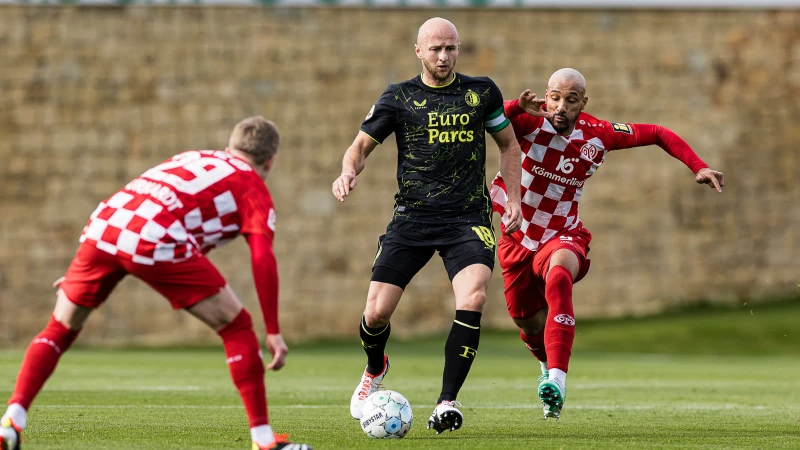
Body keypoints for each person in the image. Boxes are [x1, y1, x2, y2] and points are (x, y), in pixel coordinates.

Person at [0, 117, 311, 450]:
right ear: (270, 161)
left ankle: (11, 421)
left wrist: (85, 268)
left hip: (104, 227)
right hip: (153, 237)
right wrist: (274, 329)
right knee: (237, 327)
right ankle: (264, 441)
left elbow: (147, 204)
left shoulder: (191, 158)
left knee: (59, 328)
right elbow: (262, 258)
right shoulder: (252, 184)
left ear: (229, 147)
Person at [490, 68, 724, 420]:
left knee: (559, 277)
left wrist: (698, 165)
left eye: (571, 100)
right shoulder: (527, 122)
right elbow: (486, 121)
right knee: (528, 325)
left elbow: (657, 133)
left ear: (583, 103)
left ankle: (557, 379)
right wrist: (512, 107)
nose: (561, 107)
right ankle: (545, 363)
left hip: (563, 234)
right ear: (546, 96)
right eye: (555, 97)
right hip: (517, 239)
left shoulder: (598, 134)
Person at [331, 17, 523, 434]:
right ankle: (374, 367)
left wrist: (514, 198)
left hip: (468, 218)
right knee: (376, 312)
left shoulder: (481, 92)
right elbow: (360, 146)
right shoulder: (399, 97)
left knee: (472, 297)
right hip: (412, 218)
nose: (444, 56)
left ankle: (446, 403)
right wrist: (348, 172)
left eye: (451, 48)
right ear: (418, 51)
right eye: (435, 48)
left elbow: (509, 145)